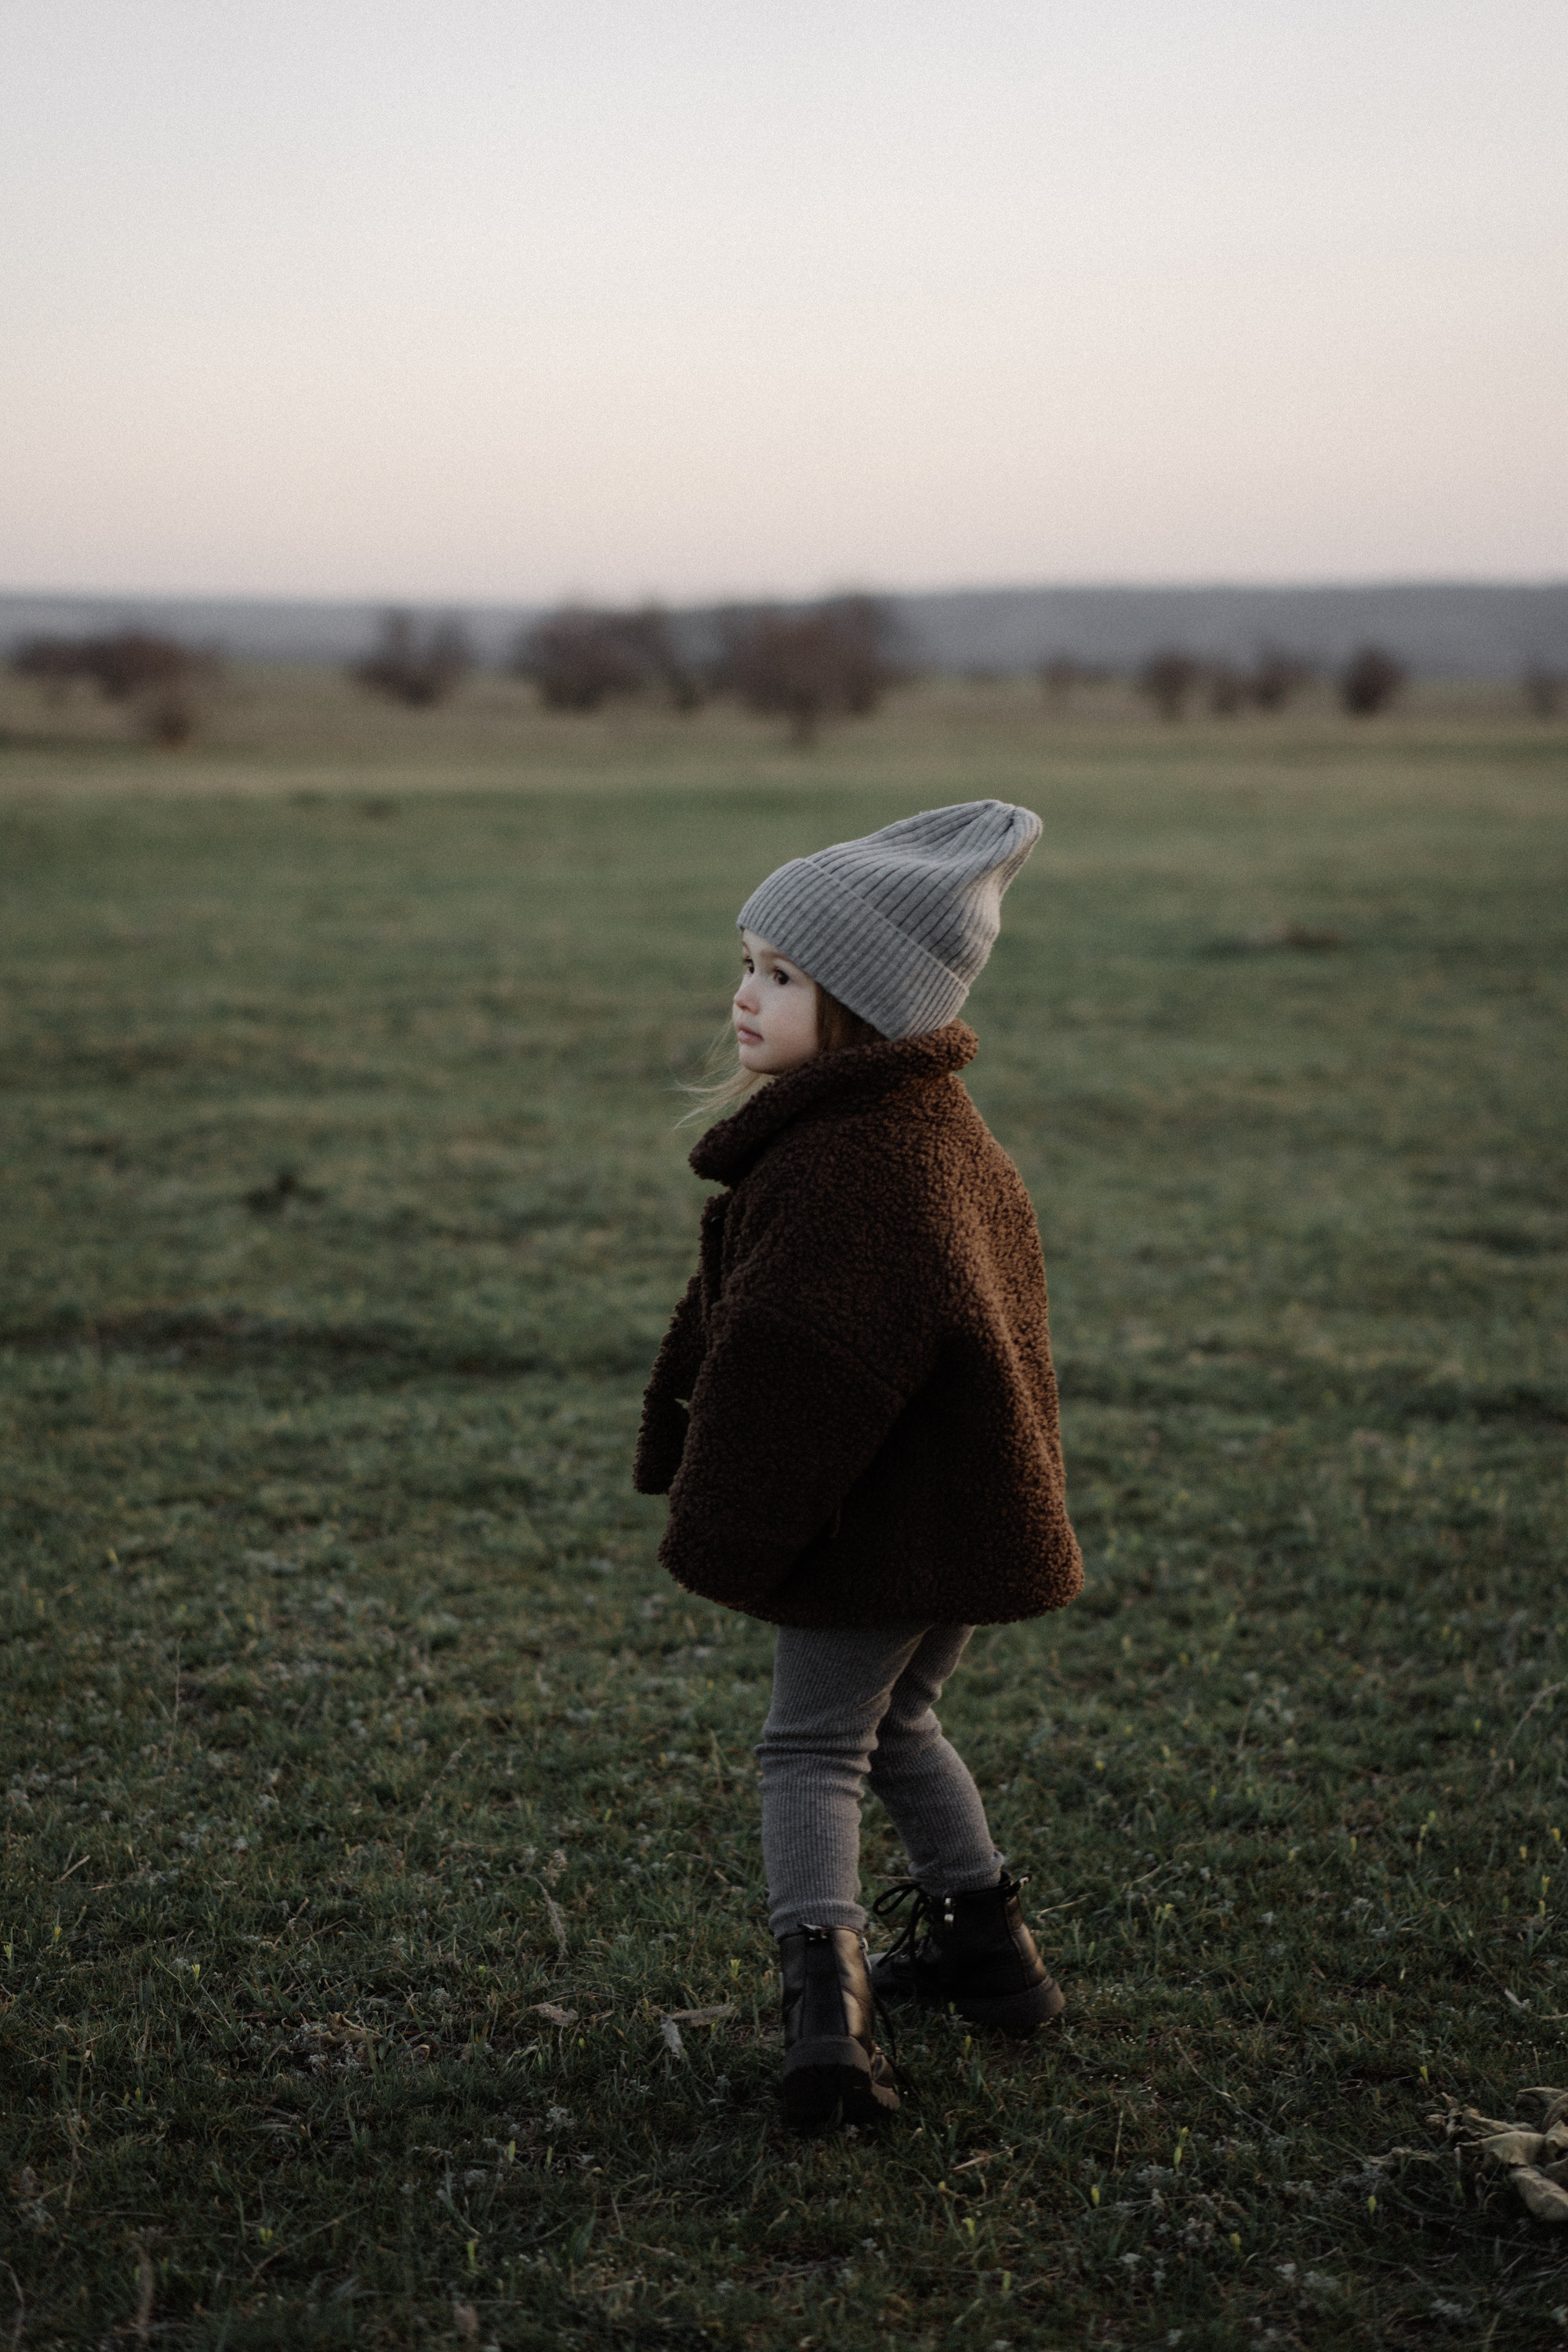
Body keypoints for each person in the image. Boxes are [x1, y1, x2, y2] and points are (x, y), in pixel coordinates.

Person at [633, 800, 1083, 2129]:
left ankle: (826, 2033)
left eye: (782, 976)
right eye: (746, 964)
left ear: (870, 1005)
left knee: (812, 1744)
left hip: (876, 1519)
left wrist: (728, 1524)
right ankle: (991, 1957)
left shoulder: (850, 1167)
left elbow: (796, 1371)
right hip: (958, 1507)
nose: (743, 996)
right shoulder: (933, 1125)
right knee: (898, 1722)